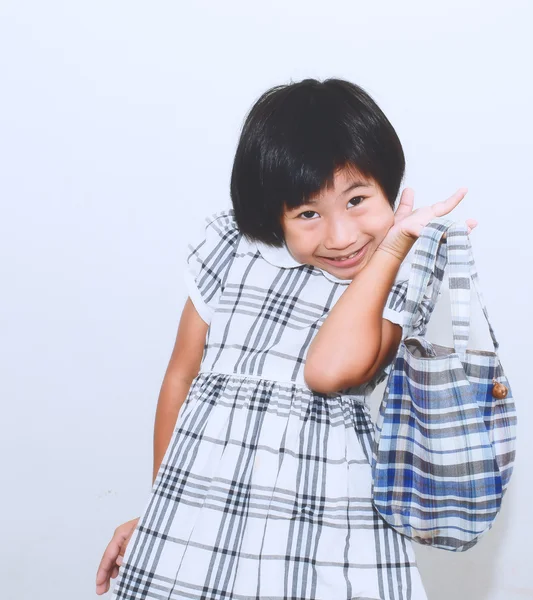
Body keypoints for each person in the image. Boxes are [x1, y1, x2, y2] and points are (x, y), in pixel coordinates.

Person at [95, 77, 477, 599]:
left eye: (358, 199)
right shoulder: (233, 247)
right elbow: (181, 376)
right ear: (272, 212)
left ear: (389, 187)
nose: (341, 236)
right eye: (308, 214)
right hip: (203, 518)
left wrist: (391, 253)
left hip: (326, 523)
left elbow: (328, 370)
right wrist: (160, 509)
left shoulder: (398, 271)